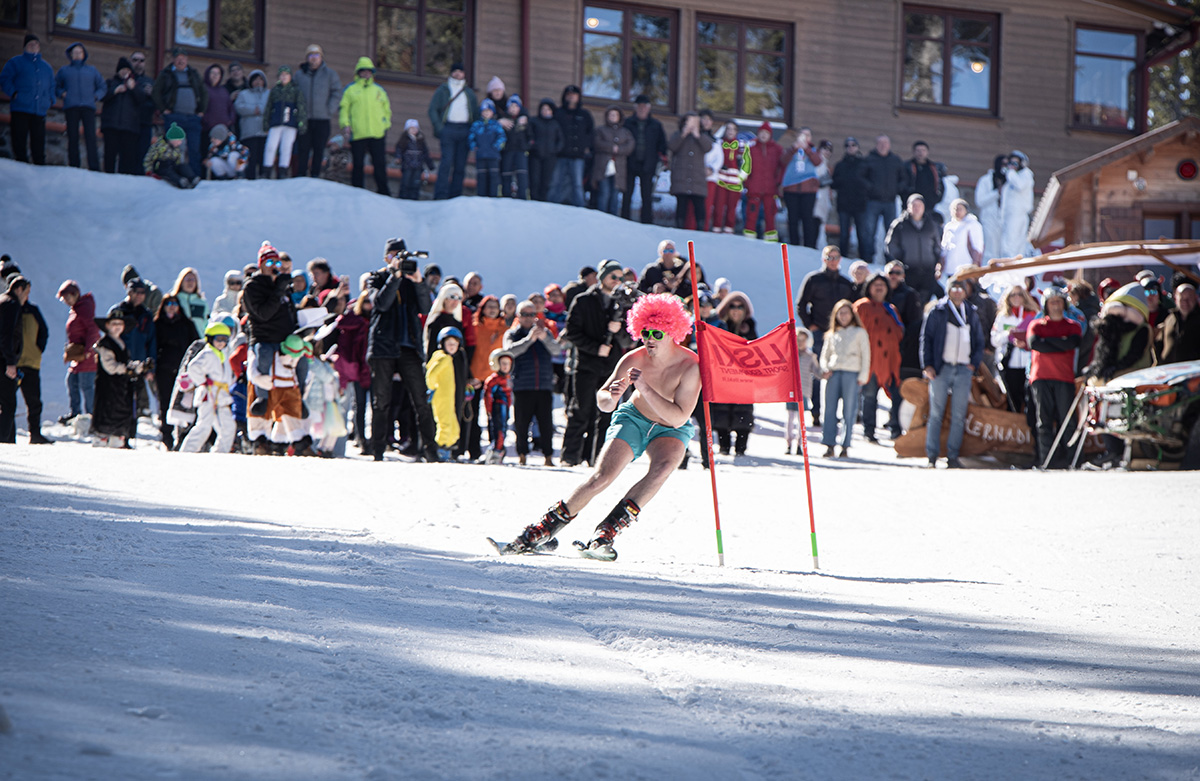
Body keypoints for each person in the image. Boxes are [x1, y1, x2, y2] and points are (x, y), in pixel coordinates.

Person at [493, 293, 700, 561]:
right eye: (645, 332)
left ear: (673, 332)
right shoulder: (634, 359)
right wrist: (611, 397)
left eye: (657, 334)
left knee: (663, 467)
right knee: (601, 477)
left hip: (670, 427)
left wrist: (645, 388)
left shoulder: (690, 365)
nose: (649, 339)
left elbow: (678, 418)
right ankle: (541, 530)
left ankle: (606, 531)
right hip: (634, 418)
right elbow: (603, 400)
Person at [366, 239, 439, 462]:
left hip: (409, 347)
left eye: (401, 256)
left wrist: (419, 283)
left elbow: (426, 308)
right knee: (381, 401)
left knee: (421, 400)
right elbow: (381, 303)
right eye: (393, 256)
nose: (397, 260)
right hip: (383, 347)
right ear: (385, 258)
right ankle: (378, 450)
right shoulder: (376, 278)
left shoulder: (411, 280)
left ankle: (431, 451)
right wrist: (394, 277)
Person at [561, 260, 628, 467]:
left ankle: (598, 460)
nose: (616, 281)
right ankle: (569, 457)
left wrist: (619, 330)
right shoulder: (583, 300)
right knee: (580, 411)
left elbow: (630, 340)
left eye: (620, 278)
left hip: (611, 368)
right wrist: (595, 348)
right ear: (602, 277)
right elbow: (572, 332)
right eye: (613, 276)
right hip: (586, 365)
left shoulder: (622, 304)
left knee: (607, 415)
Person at [920, 278, 984, 469]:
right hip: (941, 368)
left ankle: (953, 455)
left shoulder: (971, 312)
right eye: (953, 288)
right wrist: (928, 365)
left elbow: (979, 340)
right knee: (936, 413)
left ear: (965, 292)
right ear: (948, 291)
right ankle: (932, 455)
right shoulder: (938, 311)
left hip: (963, 368)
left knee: (959, 414)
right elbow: (926, 338)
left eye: (960, 288)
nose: (957, 291)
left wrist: (973, 364)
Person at [795, 245, 854, 425]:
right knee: (818, 372)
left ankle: (835, 412)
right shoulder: (814, 279)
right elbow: (801, 304)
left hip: (840, 334)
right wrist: (811, 326)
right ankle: (816, 411)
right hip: (820, 331)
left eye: (835, 257)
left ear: (840, 260)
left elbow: (853, 307)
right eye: (829, 257)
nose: (832, 261)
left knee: (838, 373)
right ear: (823, 259)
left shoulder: (846, 283)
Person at [1027, 286, 1082, 469]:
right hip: (1041, 377)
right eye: (1052, 302)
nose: (1056, 305)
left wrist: (1048, 342)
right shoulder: (1036, 325)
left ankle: (1073, 460)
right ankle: (1046, 461)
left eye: (1059, 301)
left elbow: (1073, 343)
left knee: (1068, 421)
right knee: (1044, 421)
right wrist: (1061, 342)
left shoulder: (1073, 326)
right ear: (1046, 305)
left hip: (1064, 378)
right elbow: (1036, 344)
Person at [505, 300, 563, 465]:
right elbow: (509, 351)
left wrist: (544, 339)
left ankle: (548, 456)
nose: (528, 318)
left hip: (543, 385)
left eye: (532, 314)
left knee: (546, 423)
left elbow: (557, 350)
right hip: (522, 385)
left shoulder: (545, 332)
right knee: (521, 423)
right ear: (518, 316)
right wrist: (529, 340)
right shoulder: (512, 334)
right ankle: (522, 455)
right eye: (524, 314)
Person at [854, 274, 904, 442]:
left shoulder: (891, 309)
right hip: (871, 361)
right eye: (875, 284)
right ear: (868, 287)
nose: (879, 287)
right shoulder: (861, 306)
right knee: (869, 396)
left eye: (882, 284)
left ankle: (896, 429)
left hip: (890, 361)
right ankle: (869, 431)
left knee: (896, 395)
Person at [819, 298, 870, 458]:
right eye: (840, 313)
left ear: (852, 315)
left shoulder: (860, 332)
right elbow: (824, 355)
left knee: (849, 410)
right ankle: (829, 443)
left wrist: (863, 375)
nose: (843, 316)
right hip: (834, 373)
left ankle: (845, 444)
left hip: (851, 373)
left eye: (846, 313)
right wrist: (825, 368)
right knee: (829, 409)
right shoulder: (832, 334)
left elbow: (866, 355)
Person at [710, 291, 758, 456]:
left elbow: (755, 349)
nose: (736, 310)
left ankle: (741, 446)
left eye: (740, 307)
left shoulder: (750, 326)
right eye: (732, 306)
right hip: (723, 375)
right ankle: (723, 445)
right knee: (721, 409)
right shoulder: (719, 326)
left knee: (743, 410)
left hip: (744, 377)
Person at [153, 294, 200, 449]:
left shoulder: (186, 324)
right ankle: (167, 436)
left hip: (183, 370)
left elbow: (195, 345)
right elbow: (152, 347)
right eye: (168, 303)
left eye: (175, 303)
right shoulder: (157, 324)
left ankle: (183, 436)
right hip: (164, 370)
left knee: (185, 402)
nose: (172, 306)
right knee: (165, 402)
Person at [428, 61, 480, 200]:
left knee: (460, 165)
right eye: (455, 71)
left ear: (464, 74)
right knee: (446, 163)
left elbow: (475, 114)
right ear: (451, 73)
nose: (458, 74)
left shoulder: (469, 93)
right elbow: (432, 109)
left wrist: (473, 131)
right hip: (448, 129)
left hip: (464, 130)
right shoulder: (443, 90)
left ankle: (455, 196)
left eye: (460, 71)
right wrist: (440, 128)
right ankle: (440, 195)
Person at [340, 57, 392, 194]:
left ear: (372, 73)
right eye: (363, 71)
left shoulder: (379, 90)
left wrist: (385, 125)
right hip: (358, 132)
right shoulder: (350, 90)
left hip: (377, 133)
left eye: (369, 71)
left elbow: (386, 110)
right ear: (358, 72)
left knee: (379, 163)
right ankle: (357, 191)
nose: (366, 73)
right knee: (358, 164)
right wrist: (345, 124)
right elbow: (344, 109)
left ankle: (383, 191)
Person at [1, 35, 56, 165]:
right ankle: (21, 164)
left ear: (39, 47)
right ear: (25, 47)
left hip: (39, 110)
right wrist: (15, 94)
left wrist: (50, 100)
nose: (33, 46)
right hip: (20, 107)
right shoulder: (15, 62)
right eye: (30, 44)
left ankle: (39, 165)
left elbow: (52, 86)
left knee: (38, 140)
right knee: (19, 138)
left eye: (36, 44)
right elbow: (4, 80)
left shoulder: (46, 67)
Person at [91, 312, 143, 448]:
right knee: (106, 418)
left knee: (119, 417)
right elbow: (110, 367)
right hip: (107, 387)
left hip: (121, 388)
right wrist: (127, 369)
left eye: (120, 324)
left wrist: (138, 367)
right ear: (107, 326)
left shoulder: (121, 343)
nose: (117, 327)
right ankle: (101, 442)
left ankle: (118, 441)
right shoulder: (105, 344)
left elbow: (125, 363)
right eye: (114, 324)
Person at [152, 47, 208, 170]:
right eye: (178, 58)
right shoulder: (166, 74)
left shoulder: (193, 74)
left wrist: (201, 111)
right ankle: (173, 173)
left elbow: (204, 92)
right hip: (174, 117)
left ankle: (194, 175)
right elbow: (156, 92)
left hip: (193, 118)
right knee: (174, 147)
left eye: (183, 58)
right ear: (173, 59)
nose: (180, 61)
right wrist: (163, 109)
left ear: (187, 60)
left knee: (194, 148)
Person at [55, 42, 106, 171]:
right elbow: (56, 86)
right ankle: (74, 165)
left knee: (91, 137)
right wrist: (62, 93)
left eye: (80, 52)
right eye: (75, 52)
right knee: (73, 136)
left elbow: (102, 86)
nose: (77, 54)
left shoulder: (92, 70)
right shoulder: (64, 70)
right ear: (71, 55)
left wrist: (96, 96)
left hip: (88, 107)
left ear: (84, 54)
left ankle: (94, 167)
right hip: (71, 107)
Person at [293, 44, 341, 178]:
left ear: (321, 57)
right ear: (307, 58)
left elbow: (337, 92)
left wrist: (329, 109)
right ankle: (301, 175)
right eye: (311, 55)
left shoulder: (330, 74)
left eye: (316, 55)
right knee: (303, 148)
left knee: (319, 148)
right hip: (304, 119)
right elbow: (293, 93)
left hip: (322, 119)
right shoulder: (299, 75)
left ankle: (315, 175)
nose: (314, 58)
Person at [991, 284, 1039, 414]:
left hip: (1028, 364)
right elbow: (994, 340)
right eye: (1013, 294)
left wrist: (1026, 342)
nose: (1016, 297)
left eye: (1019, 294)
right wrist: (1008, 335)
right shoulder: (1003, 317)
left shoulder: (1033, 314)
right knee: (1012, 401)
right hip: (1009, 365)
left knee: (1029, 400)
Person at [885, 194, 942, 305]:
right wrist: (901, 261)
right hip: (908, 271)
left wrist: (934, 260)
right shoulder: (899, 225)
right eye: (914, 205)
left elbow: (937, 245)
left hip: (927, 271)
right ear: (908, 207)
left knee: (925, 301)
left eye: (919, 205)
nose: (917, 208)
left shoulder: (931, 225)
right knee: (909, 302)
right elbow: (891, 245)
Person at [56, 280, 100, 423]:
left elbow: (93, 329)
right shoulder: (75, 309)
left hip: (87, 355)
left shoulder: (84, 307)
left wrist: (89, 350)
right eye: (64, 298)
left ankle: (92, 416)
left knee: (87, 386)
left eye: (68, 297)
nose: (66, 301)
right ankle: (75, 414)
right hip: (77, 355)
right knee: (71, 382)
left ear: (75, 294)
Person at [621, 95, 667, 223]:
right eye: (640, 106)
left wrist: (659, 158)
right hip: (630, 162)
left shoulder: (656, 125)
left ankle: (647, 222)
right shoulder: (627, 123)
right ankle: (624, 220)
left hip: (648, 164)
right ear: (635, 108)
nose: (642, 109)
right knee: (627, 193)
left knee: (646, 195)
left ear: (649, 108)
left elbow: (662, 144)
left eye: (644, 107)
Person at [546, 85, 593, 207]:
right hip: (560, 154)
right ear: (565, 96)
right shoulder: (558, 113)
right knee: (556, 181)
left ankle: (580, 207)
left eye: (574, 95)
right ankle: (550, 206)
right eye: (569, 95)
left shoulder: (585, 115)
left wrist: (585, 146)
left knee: (577, 184)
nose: (571, 97)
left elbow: (590, 133)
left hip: (578, 155)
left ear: (578, 97)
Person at [861, 134, 905, 262]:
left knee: (891, 232)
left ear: (889, 145)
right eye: (880, 143)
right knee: (869, 231)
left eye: (885, 143)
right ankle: (868, 258)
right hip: (873, 201)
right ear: (876, 145)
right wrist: (870, 188)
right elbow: (860, 177)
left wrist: (896, 189)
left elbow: (904, 178)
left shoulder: (895, 160)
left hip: (890, 202)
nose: (883, 146)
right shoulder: (869, 159)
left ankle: (890, 259)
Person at [425, 326, 465, 461]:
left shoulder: (448, 358)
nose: (452, 346)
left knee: (454, 427)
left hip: (449, 399)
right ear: (442, 344)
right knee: (445, 424)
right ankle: (440, 450)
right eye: (449, 343)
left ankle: (447, 449)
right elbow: (431, 374)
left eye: (455, 344)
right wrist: (432, 388)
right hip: (441, 397)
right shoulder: (443, 358)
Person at [667, 112, 712, 229]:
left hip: (697, 178)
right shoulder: (678, 135)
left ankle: (700, 229)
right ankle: (679, 227)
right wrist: (683, 134)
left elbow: (708, 147)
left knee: (699, 206)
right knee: (681, 206)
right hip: (681, 177)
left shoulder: (702, 136)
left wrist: (698, 135)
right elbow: (672, 146)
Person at [100, 57, 145, 175]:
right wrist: (115, 91)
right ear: (118, 71)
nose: (125, 72)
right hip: (111, 125)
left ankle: (125, 180)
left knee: (127, 158)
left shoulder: (136, 84)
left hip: (130, 127)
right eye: (122, 70)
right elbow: (102, 96)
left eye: (127, 70)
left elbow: (142, 99)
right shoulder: (110, 82)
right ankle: (107, 177)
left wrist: (133, 88)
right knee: (109, 154)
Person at [779, 127, 822, 247]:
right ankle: (794, 244)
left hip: (808, 190)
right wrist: (794, 148)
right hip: (791, 189)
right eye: (802, 135)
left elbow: (817, 161)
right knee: (792, 219)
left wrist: (806, 149)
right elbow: (783, 161)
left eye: (807, 135)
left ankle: (809, 245)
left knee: (807, 219)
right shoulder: (791, 150)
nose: (804, 138)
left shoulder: (813, 150)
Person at [0, 276, 31, 443]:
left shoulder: (2, 300)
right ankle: (4, 442)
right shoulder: (11, 304)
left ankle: (9, 440)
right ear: (19, 289)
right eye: (26, 292)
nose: (27, 297)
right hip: (4, 361)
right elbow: (7, 335)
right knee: (8, 404)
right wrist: (11, 362)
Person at [743, 122, 784, 241]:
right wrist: (748, 184)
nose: (763, 135)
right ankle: (748, 238)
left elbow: (782, 167)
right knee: (751, 215)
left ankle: (770, 239)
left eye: (766, 133)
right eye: (761, 133)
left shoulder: (777, 149)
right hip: (754, 188)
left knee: (770, 215)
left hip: (770, 189)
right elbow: (745, 168)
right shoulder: (751, 149)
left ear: (770, 135)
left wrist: (778, 183)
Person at [264, 65, 306, 179]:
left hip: (290, 123)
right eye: (281, 75)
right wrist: (266, 123)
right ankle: (267, 169)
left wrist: (301, 123)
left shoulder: (295, 90)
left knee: (286, 147)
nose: (284, 77)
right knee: (271, 146)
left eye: (286, 74)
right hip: (276, 122)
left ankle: (283, 170)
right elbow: (268, 107)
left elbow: (301, 107)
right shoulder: (275, 91)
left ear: (290, 76)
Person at [592, 106, 635, 215]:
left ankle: (614, 217)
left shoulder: (625, 132)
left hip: (619, 167)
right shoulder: (600, 130)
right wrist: (611, 148)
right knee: (604, 192)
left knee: (615, 194)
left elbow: (630, 146)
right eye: (610, 115)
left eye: (615, 115)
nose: (612, 117)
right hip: (603, 166)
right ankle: (601, 216)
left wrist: (619, 149)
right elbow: (597, 143)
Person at [785, 326, 820, 455]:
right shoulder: (790, 355)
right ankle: (789, 442)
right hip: (790, 391)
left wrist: (825, 373)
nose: (800, 343)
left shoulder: (810, 357)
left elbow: (817, 372)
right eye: (798, 340)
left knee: (801, 419)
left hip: (803, 391)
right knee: (790, 417)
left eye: (803, 340)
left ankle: (800, 443)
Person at [832, 136, 869, 257]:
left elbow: (870, 183)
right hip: (844, 204)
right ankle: (843, 257)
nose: (850, 147)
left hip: (860, 204)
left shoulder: (864, 165)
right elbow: (834, 183)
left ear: (857, 147)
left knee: (862, 234)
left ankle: (864, 258)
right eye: (848, 145)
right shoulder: (840, 165)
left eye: (853, 145)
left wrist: (863, 185)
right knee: (844, 234)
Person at [710, 121, 747, 234]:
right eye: (728, 129)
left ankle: (729, 229)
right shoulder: (719, 143)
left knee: (732, 207)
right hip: (721, 178)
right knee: (719, 205)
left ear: (736, 132)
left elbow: (746, 162)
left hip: (734, 180)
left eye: (733, 129)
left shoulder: (741, 145)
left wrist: (742, 176)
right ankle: (716, 227)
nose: (730, 132)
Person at [900, 141, 945, 229]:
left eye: (923, 150)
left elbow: (940, 185)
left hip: (929, 206)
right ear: (914, 152)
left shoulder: (934, 168)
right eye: (918, 150)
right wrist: (906, 199)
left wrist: (935, 199)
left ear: (927, 152)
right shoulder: (906, 167)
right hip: (910, 207)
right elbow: (902, 184)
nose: (920, 153)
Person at [234, 69, 269, 180]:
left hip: (264, 131)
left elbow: (272, 108)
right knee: (251, 157)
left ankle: (263, 178)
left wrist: (261, 109)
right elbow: (239, 107)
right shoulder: (244, 94)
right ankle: (250, 178)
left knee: (263, 156)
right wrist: (253, 110)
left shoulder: (269, 94)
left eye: (260, 79)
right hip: (249, 131)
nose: (258, 82)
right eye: (255, 80)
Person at [1000, 151, 1035, 259]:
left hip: (1018, 214)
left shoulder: (1025, 174)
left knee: (1013, 242)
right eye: (1011, 163)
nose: (1013, 165)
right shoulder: (1012, 177)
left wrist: (1010, 172)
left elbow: (1020, 185)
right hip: (1009, 214)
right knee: (1008, 242)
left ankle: (1011, 263)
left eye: (1015, 163)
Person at [638, 240, 703, 296]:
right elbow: (639, 288)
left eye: (671, 250)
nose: (668, 253)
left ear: (675, 252)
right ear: (660, 252)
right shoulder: (651, 270)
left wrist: (675, 287)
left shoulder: (681, 269)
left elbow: (692, 288)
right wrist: (653, 290)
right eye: (665, 250)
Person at [144, 122, 200, 188]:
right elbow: (148, 159)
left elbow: (178, 160)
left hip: (172, 165)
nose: (180, 143)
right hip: (161, 166)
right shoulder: (159, 146)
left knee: (183, 166)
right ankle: (180, 181)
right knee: (168, 170)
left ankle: (192, 178)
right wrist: (149, 171)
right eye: (179, 140)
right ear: (172, 140)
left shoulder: (176, 148)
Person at [469, 98, 506, 197]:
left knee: (493, 176)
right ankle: (481, 196)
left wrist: (496, 147)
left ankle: (493, 196)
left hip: (493, 155)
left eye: (488, 111)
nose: (486, 113)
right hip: (480, 155)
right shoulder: (476, 125)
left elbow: (502, 137)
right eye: (484, 111)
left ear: (492, 112)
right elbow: (471, 137)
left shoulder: (496, 125)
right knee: (481, 176)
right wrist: (474, 146)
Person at [482, 349, 514, 463]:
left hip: (505, 408)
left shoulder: (508, 379)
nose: (506, 366)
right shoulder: (493, 380)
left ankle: (499, 449)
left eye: (508, 364)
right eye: (503, 363)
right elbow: (488, 396)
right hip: (497, 408)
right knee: (497, 429)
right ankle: (496, 450)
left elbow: (509, 396)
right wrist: (489, 410)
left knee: (503, 430)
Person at [530, 98, 564, 202]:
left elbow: (560, 140)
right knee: (535, 179)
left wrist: (555, 150)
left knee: (546, 180)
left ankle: (543, 199)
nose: (545, 111)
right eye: (543, 109)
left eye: (548, 109)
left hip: (550, 156)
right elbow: (529, 135)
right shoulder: (534, 121)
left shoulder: (555, 124)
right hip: (535, 155)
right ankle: (533, 198)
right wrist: (533, 146)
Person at [975, 155, 1006, 262]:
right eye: (1003, 164)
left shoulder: (1009, 182)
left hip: (1004, 221)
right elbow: (980, 201)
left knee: (1004, 250)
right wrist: (997, 193)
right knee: (990, 250)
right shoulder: (985, 180)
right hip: (989, 220)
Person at [201, 64, 236, 158]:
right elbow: (200, 108)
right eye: (213, 73)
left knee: (222, 157)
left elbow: (231, 108)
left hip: (223, 132)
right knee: (207, 157)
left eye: (218, 73)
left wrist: (230, 120)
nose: (215, 75)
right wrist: (206, 120)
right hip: (207, 130)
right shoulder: (203, 89)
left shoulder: (223, 91)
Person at [500, 95, 531, 199]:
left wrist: (527, 146)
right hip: (508, 150)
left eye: (516, 106)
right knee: (506, 172)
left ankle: (522, 196)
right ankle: (506, 195)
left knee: (522, 173)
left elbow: (530, 135)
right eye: (511, 106)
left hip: (521, 150)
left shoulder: (524, 121)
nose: (513, 109)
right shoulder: (505, 121)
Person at [128, 51, 156, 164]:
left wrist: (152, 94)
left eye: (141, 60)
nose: (138, 63)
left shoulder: (150, 82)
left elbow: (158, 103)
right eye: (135, 60)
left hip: (145, 122)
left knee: (143, 154)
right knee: (128, 154)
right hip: (128, 123)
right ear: (130, 62)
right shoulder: (125, 79)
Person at [1160, 283, 1200, 364]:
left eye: (1189, 298)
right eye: (1182, 298)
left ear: (1196, 298)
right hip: (1169, 368)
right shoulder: (1169, 319)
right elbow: (1160, 344)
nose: (1185, 302)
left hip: (1194, 369)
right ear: (1175, 299)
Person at [395, 119, 433, 200]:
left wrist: (430, 165)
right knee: (405, 183)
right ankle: (403, 198)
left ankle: (414, 199)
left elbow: (425, 153)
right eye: (411, 128)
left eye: (415, 128)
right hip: (407, 165)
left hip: (418, 166)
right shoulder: (404, 140)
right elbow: (399, 149)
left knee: (416, 183)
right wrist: (398, 158)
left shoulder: (420, 141)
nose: (414, 130)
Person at [941, 198, 985, 267]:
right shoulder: (949, 226)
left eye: (960, 209)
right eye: (955, 209)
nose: (957, 211)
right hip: (950, 265)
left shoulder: (973, 224)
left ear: (966, 210)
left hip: (966, 264)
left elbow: (977, 245)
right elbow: (944, 247)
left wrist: (976, 261)